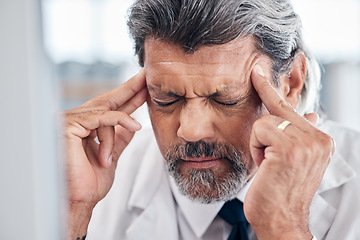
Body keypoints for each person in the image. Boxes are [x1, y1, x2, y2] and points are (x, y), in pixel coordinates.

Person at [63, 0, 360, 239]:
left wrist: (283, 229)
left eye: (225, 100)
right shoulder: (95, 182)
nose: (191, 131)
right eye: (167, 99)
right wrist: (72, 216)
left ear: (291, 83)